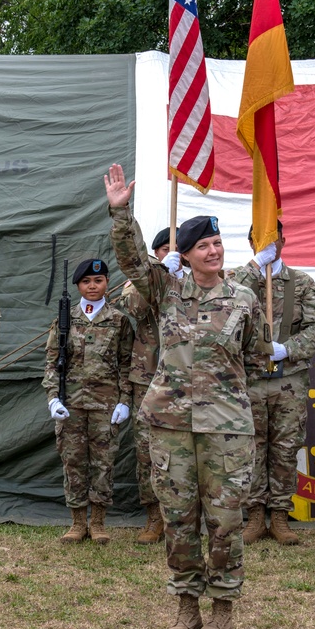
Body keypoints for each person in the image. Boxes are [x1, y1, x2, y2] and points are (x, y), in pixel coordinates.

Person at [105, 163, 269, 629]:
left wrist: (228, 396)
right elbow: (133, 261)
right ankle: (185, 606)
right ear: (187, 254)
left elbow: (257, 357)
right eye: (203, 246)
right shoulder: (165, 289)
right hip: (171, 424)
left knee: (224, 519)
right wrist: (121, 213)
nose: (213, 252)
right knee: (179, 517)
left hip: (226, 427)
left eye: (217, 244)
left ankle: (222, 610)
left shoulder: (243, 297)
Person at [229, 222, 315, 546]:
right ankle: (254, 515)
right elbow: (224, 305)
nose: (269, 244)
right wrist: (256, 265)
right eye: (260, 240)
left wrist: (290, 349)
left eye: (273, 238)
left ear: (284, 239)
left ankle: (280, 516)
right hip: (251, 378)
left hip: (288, 381)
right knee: (250, 449)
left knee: (285, 449)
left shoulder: (303, 284)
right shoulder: (238, 282)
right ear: (251, 242)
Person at [43, 258, 134, 544]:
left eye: (98, 281)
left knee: (103, 464)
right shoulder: (64, 320)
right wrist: (52, 398)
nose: (93, 286)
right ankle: (77, 523)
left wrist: (125, 400)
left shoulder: (119, 321)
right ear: (78, 286)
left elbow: (127, 363)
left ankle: (98, 523)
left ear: (107, 283)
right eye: (86, 282)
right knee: (73, 462)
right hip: (71, 404)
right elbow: (51, 362)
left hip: (105, 405)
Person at [115, 228, 172, 544]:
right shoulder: (142, 279)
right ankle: (153, 517)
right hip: (148, 374)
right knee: (147, 450)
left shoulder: (201, 279)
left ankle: (183, 517)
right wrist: (160, 273)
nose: (171, 253)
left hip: (189, 377)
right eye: (166, 249)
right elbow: (134, 308)